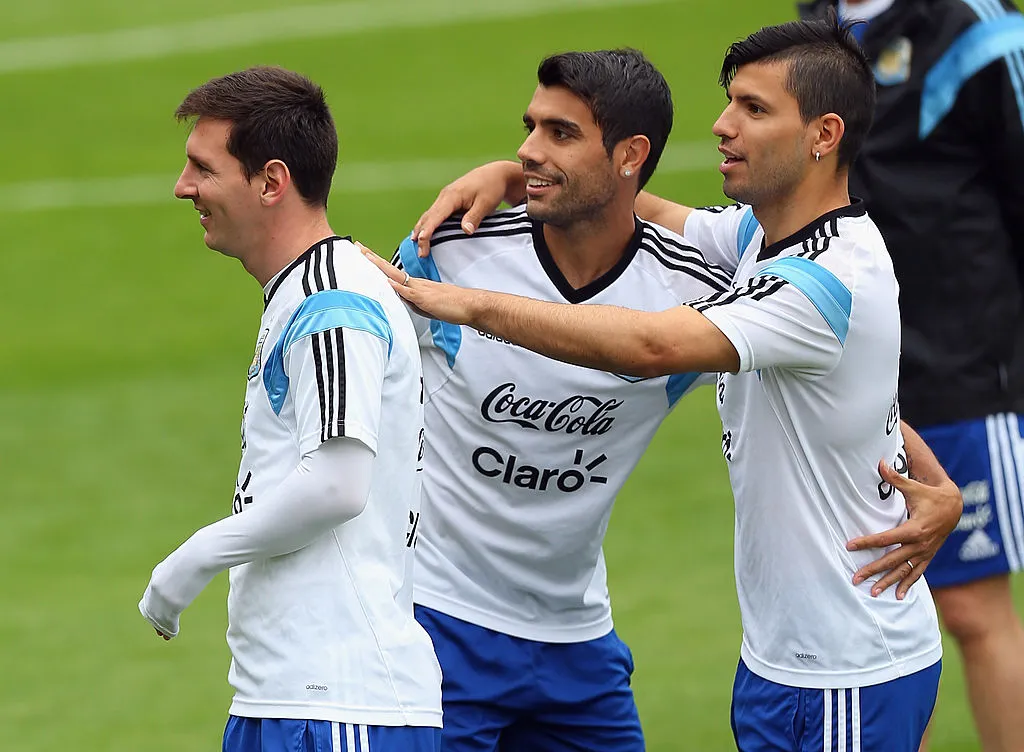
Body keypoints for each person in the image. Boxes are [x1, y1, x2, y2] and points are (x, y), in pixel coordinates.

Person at [364, 15, 964, 751]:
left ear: (823, 134)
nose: (722, 126)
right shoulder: (757, 241)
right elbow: (637, 205)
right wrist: (519, 175)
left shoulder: (823, 282)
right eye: (728, 102)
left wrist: (464, 302)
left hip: (841, 665)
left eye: (753, 109)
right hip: (793, 661)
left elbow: (651, 345)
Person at [391, 48, 735, 752]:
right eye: (531, 128)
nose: (526, 151)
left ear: (630, 155)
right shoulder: (452, 253)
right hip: (434, 623)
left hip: (576, 643)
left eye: (561, 134)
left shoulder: (693, 294)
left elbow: (813, 364)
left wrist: (920, 471)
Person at [137, 66, 442, 752]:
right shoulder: (305, 292)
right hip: (289, 695)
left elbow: (337, 485)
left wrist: (190, 562)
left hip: (338, 705)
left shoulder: (333, 301)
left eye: (201, 168)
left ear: (271, 182)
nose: (183, 188)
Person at [801, 2, 1024, 750]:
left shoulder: (978, 28)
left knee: (968, 608)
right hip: (851, 364)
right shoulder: (816, 22)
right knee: (873, 606)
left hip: (961, 362)